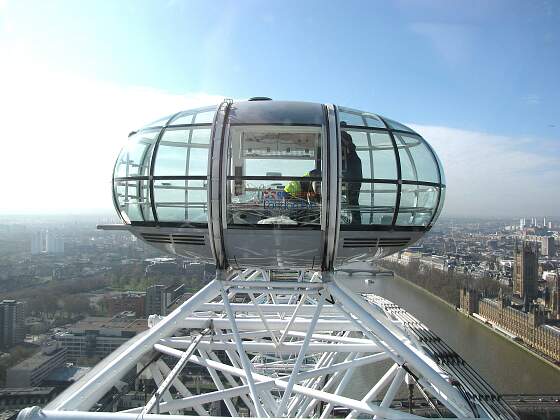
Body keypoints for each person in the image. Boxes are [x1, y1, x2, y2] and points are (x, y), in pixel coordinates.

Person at [341, 130, 362, 224]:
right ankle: (356, 222)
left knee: (352, 202)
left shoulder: (351, 155)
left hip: (352, 183)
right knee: (353, 202)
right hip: (354, 182)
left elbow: (349, 145)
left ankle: (356, 222)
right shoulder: (353, 156)